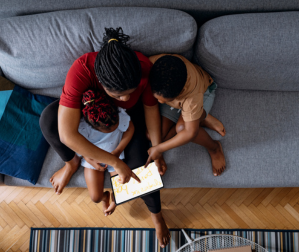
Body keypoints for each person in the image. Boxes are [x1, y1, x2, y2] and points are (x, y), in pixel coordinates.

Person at [39, 27, 170, 248]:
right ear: (100, 81)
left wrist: (157, 149)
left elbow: (149, 109)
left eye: (131, 91)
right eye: (118, 94)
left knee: (143, 167)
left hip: (128, 120)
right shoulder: (81, 70)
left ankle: (157, 215)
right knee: (48, 119)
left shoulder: (144, 68)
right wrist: (115, 162)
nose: (126, 97)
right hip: (92, 115)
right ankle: (71, 163)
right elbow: (66, 133)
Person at [145, 54, 226, 176]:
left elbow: (190, 133)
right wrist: (157, 152)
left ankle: (214, 147)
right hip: (176, 102)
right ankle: (200, 118)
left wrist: (159, 149)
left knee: (182, 129)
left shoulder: (192, 95)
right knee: (153, 136)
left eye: (163, 100)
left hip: (203, 93)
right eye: (158, 98)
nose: (159, 103)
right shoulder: (156, 66)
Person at [77, 89, 134, 216]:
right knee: (95, 197)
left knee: (122, 191)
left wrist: (118, 150)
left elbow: (130, 129)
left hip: (115, 157)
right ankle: (105, 196)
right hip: (93, 160)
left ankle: (113, 198)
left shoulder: (118, 114)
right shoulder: (83, 126)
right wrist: (88, 159)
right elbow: (78, 145)